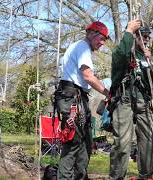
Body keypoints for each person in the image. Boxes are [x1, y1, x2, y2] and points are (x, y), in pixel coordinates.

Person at [109, 19, 153, 180]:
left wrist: (152, 63)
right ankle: (117, 177)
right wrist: (129, 31)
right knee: (122, 144)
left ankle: (146, 175)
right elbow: (120, 55)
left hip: (143, 102)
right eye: (142, 36)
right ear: (134, 37)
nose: (146, 39)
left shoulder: (149, 59)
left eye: (148, 36)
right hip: (124, 100)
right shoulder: (125, 53)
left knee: (149, 141)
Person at [55, 21, 110, 180]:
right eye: (101, 38)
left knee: (85, 144)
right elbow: (87, 76)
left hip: (76, 99)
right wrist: (108, 93)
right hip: (73, 100)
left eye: (104, 40)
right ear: (91, 34)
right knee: (72, 145)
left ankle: (81, 176)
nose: (102, 43)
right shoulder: (83, 47)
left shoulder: (76, 47)